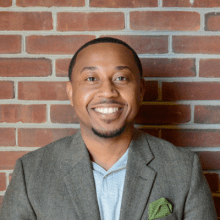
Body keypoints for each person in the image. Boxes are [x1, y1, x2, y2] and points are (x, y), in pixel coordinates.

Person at [0, 37, 217, 220]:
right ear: (71, 92)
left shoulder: (184, 169)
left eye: (121, 78)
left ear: (140, 90)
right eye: (91, 78)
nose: (108, 92)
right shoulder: (31, 172)